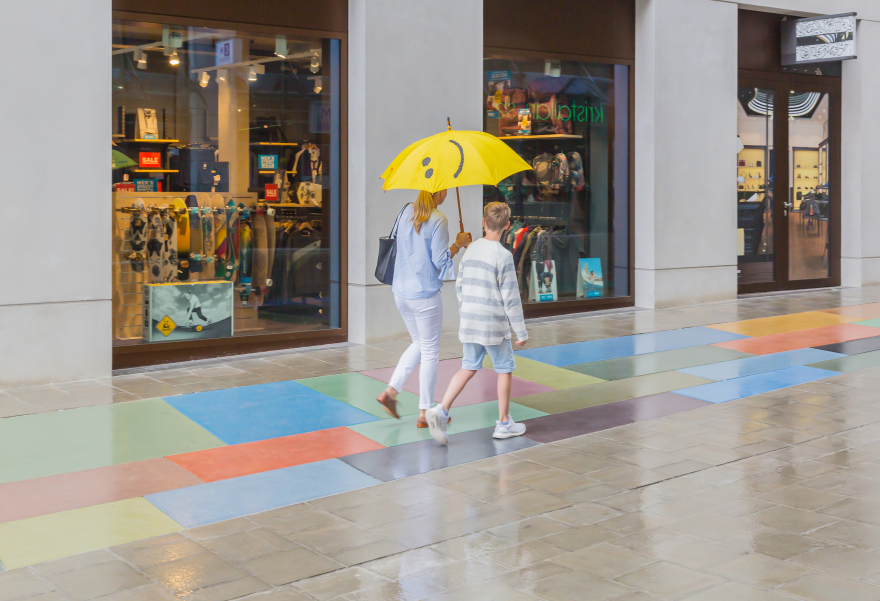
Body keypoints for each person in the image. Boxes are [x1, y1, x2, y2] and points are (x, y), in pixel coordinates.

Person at [426, 202, 528, 445]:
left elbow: (460, 286)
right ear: (507, 226)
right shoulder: (503, 256)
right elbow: (511, 298)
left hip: (471, 321)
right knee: (504, 368)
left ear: (484, 223)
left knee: (468, 366)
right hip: (493, 325)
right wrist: (521, 331)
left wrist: (467, 311)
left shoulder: (470, 249)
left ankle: (441, 409)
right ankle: (504, 423)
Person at [376, 190, 472, 427]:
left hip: (401, 292)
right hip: (424, 295)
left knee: (419, 344)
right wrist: (458, 245)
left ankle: (391, 391)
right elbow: (440, 261)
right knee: (430, 351)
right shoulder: (438, 218)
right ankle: (424, 412)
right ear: (439, 190)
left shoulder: (406, 210)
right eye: (446, 188)